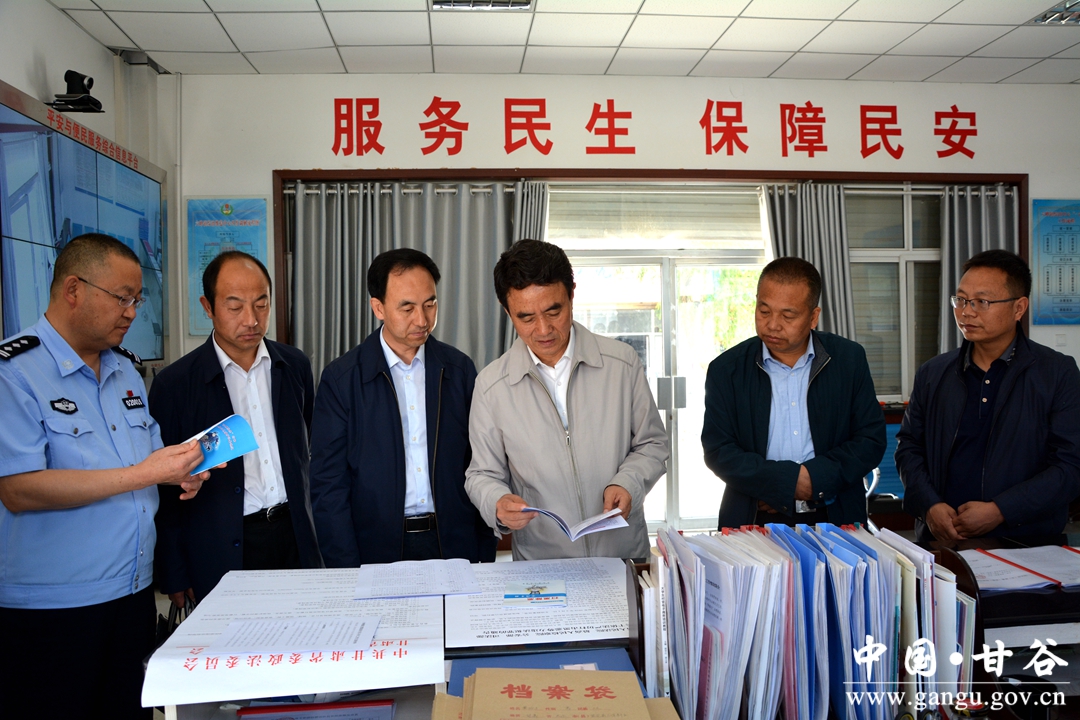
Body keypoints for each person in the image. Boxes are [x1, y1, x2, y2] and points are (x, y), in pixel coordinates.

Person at [0, 234, 209, 719]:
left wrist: (179, 472)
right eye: (122, 298)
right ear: (73, 289)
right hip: (51, 611)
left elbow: (148, 459)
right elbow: (18, 489)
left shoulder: (126, 371)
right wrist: (143, 474)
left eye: (137, 300)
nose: (132, 312)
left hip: (132, 597)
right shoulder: (15, 373)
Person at [465, 239, 668, 561]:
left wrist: (628, 482)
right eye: (526, 317)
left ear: (572, 294)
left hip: (622, 555)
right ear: (507, 311)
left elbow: (653, 443)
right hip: (541, 565)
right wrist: (497, 502)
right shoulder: (491, 386)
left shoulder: (622, 363)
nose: (543, 329)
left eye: (553, 311)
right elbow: (482, 474)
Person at [150, 251, 323, 608]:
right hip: (224, 545)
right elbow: (164, 490)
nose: (251, 319)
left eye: (261, 304)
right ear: (208, 307)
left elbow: (306, 452)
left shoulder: (294, 366)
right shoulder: (176, 384)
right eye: (235, 307)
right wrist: (175, 571)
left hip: (294, 535)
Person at [309, 248, 496, 566]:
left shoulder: (459, 370)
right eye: (407, 308)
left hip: (453, 542)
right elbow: (328, 484)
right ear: (378, 308)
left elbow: (479, 462)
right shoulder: (342, 379)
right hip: (375, 548)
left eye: (430, 304)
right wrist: (345, 567)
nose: (422, 320)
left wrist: (483, 548)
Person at [897, 250, 1080, 543]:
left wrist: (1001, 510)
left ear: (1019, 308)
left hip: (1026, 545)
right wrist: (929, 506)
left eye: (982, 302)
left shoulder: (1057, 373)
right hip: (944, 541)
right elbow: (909, 448)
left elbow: (1070, 466)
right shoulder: (933, 373)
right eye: (961, 300)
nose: (966, 312)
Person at [702, 257, 886, 528]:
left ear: (813, 317)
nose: (773, 324)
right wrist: (784, 484)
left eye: (787, 316)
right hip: (754, 518)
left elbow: (870, 439)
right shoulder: (727, 369)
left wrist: (814, 481)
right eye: (764, 311)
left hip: (836, 516)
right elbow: (718, 449)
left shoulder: (848, 360)